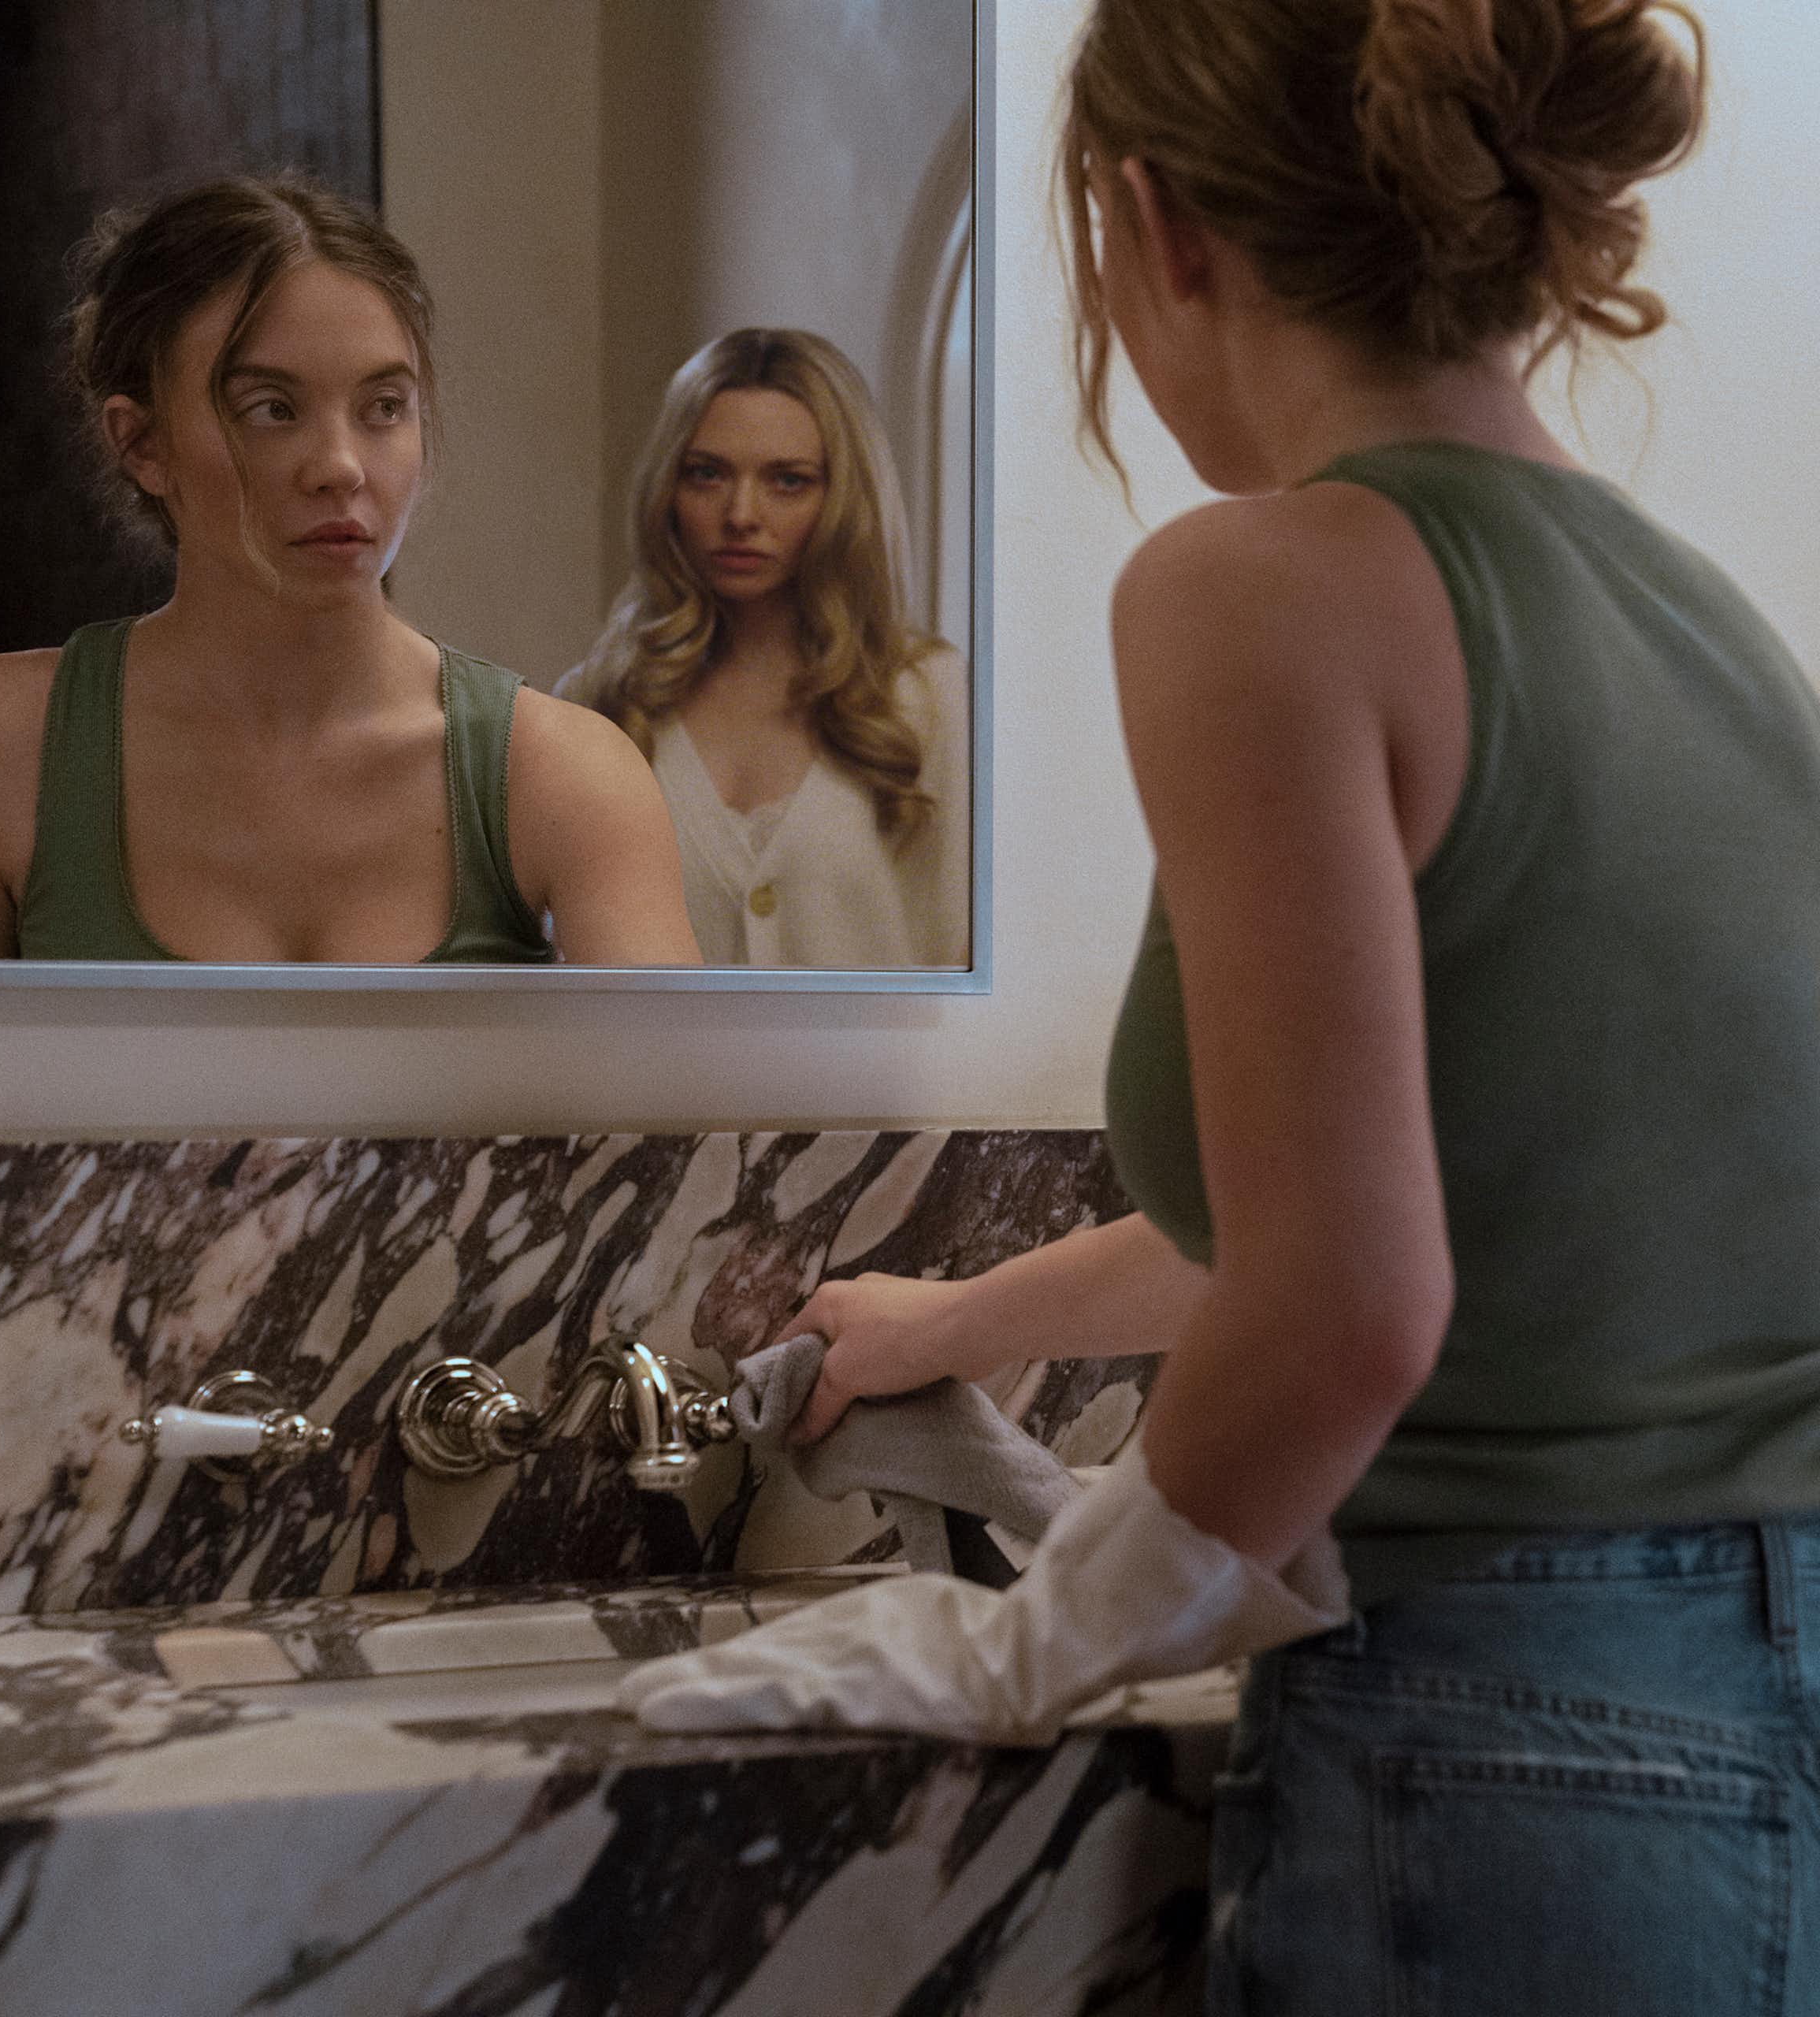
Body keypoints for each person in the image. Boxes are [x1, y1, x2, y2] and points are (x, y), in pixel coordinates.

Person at [618, 2, 1820, 2004]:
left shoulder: (1253, 585)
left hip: (1502, 1730)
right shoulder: (1707, 627)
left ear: (1152, 224)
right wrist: (967, 1321)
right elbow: (1405, 1199)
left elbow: (1348, 1303)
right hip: (1762, 1701)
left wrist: (1038, 1632)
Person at [0, 173, 699, 967]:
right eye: (271, 409)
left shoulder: (558, 771)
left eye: (383, 407)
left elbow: (676, 1089)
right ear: (142, 445)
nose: (340, 467)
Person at [557, 328, 968, 968]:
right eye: (707, 474)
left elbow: (959, 961)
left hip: (876, 1071)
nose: (741, 514)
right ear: (669, 489)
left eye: (788, 481)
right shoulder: (597, 704)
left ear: (842, 499)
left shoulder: (931, 697)